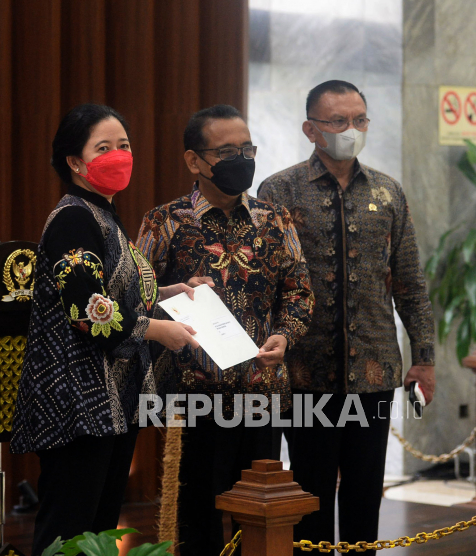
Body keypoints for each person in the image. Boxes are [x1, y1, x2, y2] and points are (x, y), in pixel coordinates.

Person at [11, 104, 205, 555]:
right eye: (103, 148)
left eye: (124, 146)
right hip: (78, 404)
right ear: (75, 162)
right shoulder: (75, 217)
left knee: (95, 533)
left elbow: (114, 298)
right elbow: (86, 311)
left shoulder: (103, 214)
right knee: (69, 533)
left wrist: (173, 293)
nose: (119, 155)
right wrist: (156, 330)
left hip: (110, 403)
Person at [258, 80, 436, 553]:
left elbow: (411, 284)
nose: (350, 129)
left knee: (363, 497)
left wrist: (424, 357)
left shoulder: (388, 192)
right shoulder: (278, 190)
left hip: (373, 372)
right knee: (309, 498)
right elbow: (266, 284)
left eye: (359, 119)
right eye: (338, 121)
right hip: (304, 372)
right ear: (311, 129)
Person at [137, 104, 315, 556]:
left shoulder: (276, 220)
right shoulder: (166, 221)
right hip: (192, 392)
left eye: (247, 148)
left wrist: (286, 335)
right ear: (194, 161)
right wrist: (170, 293)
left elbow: (300, 292)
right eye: (227, 151)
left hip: (262, 391)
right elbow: (133, 293)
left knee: (258, 514)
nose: (242, 159)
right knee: (197, 513)